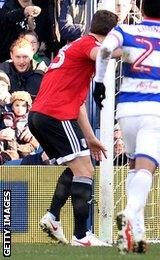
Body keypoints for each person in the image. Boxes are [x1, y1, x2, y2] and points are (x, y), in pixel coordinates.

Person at [93, 0, 160, 254]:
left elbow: (104, 50)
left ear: (143, 8)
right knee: (146, 168)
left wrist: (99, 81)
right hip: (156, 109)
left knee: (133, 164)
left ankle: (137, 233)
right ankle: (129, 214)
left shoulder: (125, 30)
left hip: (127, 109)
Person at [27, 10, 118, 247]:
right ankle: (81, 237)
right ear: (111, 34)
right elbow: (103, 53)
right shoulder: (89, 45)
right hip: (55, 116)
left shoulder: (74, 50)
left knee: (81, 166)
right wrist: (133, 51)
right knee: (85, 172)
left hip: (41, 115)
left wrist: (89, 137)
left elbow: (77, 105)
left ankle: (53, 217)